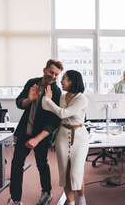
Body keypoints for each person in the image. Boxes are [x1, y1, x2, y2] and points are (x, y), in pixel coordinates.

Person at [8, 59, 64, 205]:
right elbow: (19, 102)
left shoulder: (56, 92)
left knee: (41, 163)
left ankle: (46, 192)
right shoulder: (32, 82)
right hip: (25, 131)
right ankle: (15, 200)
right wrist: (28, 100)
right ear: (44, 69)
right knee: (16, 164)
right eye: (51, 72)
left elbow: (53, 121)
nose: (53, 76)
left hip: (41, 135)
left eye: (57, 74)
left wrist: (37, 139)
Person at [42, 70, 88, 205]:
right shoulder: (62, 97)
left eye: (64, 78)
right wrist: (47, 101)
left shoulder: (82, 99)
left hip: (79, 137)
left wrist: (47, 100)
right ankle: (71, 202)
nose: (61, 81)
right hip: (62, 135)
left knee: (76, 173)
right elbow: (48, 108)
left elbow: (63, 113)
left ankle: (82, 199)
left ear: (72, 81)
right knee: (65, 174)